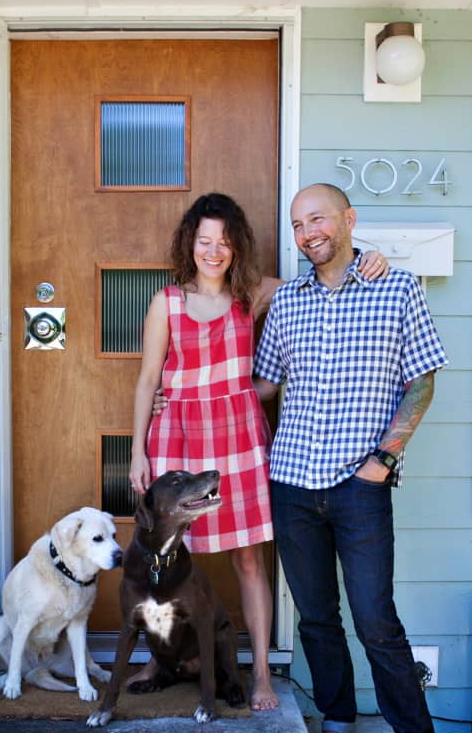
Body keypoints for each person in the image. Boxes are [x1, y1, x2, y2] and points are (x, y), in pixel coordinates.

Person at [129, 192, 388, 712]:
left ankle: (263, 675)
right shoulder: (167, 302)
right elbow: (147, 379)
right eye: (205, 241)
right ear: (190, 244)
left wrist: (373, 256)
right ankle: (158, 657)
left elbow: (326, 271)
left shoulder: (255, 294)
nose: (214, 251)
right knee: (165, 556)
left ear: (237, 246)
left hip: (239, 438)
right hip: (178, 437)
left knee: (249, 558)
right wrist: (138, 451)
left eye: (224, 242)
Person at [252, 183, 447, 733]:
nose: (308, 232)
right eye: (297, 225)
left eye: (317, 219)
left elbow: (422, 382)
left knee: (375, 620)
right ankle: (337, 717)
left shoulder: (398, 288)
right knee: (316, 619)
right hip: (291, 481)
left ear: (349, 219)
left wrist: (383, 459)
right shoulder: (289, 299)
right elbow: (264, 386)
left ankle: (412, 727)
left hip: (361, 483)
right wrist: (190, 389)